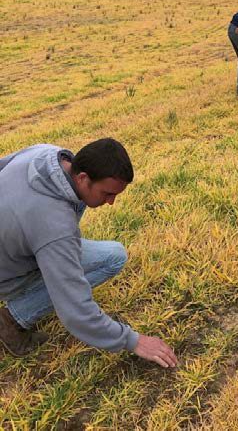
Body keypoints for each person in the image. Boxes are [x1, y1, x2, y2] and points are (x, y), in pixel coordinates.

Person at [0, 138, 177, 368]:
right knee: (96, 266)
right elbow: (76, 312)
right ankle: (12, 318)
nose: (111, 202)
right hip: (8, 270)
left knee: (113, 254)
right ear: (83, 178)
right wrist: (133, 341)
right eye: (107, 194)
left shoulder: (47, 154)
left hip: (16, 242)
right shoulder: (54, 227)